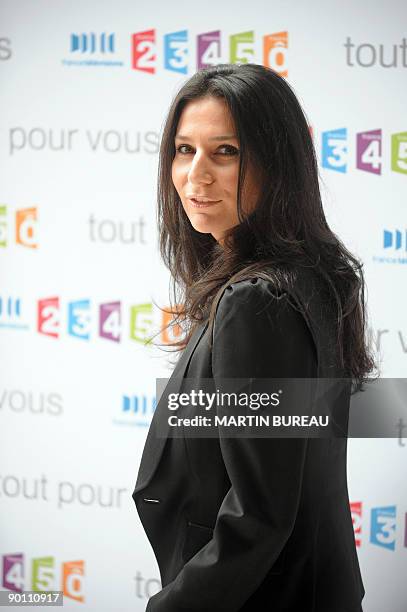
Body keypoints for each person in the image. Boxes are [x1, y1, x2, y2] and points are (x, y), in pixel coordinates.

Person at [132, 63, 376, 612]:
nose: (196, 176)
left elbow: (259, 514)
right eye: (183, 150)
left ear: (277, 162)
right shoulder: (315, 272)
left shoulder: (256, 300)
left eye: (226, 152)